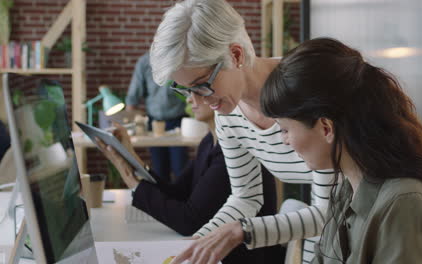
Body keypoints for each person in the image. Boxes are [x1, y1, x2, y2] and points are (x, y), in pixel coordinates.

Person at [149, 0, 335, 263]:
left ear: (235, 55)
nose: (198, 101)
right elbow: (246, 197)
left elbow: (330, 210)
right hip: (321, 235)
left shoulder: (303, 89)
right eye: (187, 89)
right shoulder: (228, 113)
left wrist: (242, 231)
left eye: (202, 85)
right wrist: (195, 247)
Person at [260, 37, 422, 263]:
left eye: (285, 130)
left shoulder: (406, 205)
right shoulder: (347, 191)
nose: (284, 141)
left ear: (326, 127)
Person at [96, 96, 285, 264]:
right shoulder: (208, 142)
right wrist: (130, 155)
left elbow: (189, 221)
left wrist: (128, 175)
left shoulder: (232, 153)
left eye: (197, 92)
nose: (189, 99)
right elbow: (178, 193)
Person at [126, 52, 188, 181]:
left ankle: (185, 201)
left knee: (181, 169)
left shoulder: (180, 60)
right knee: (159, 170)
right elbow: (133, 97)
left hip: (179, 121)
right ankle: (163, 201)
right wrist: (130, 130)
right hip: (154, 123)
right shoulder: (144, 62)